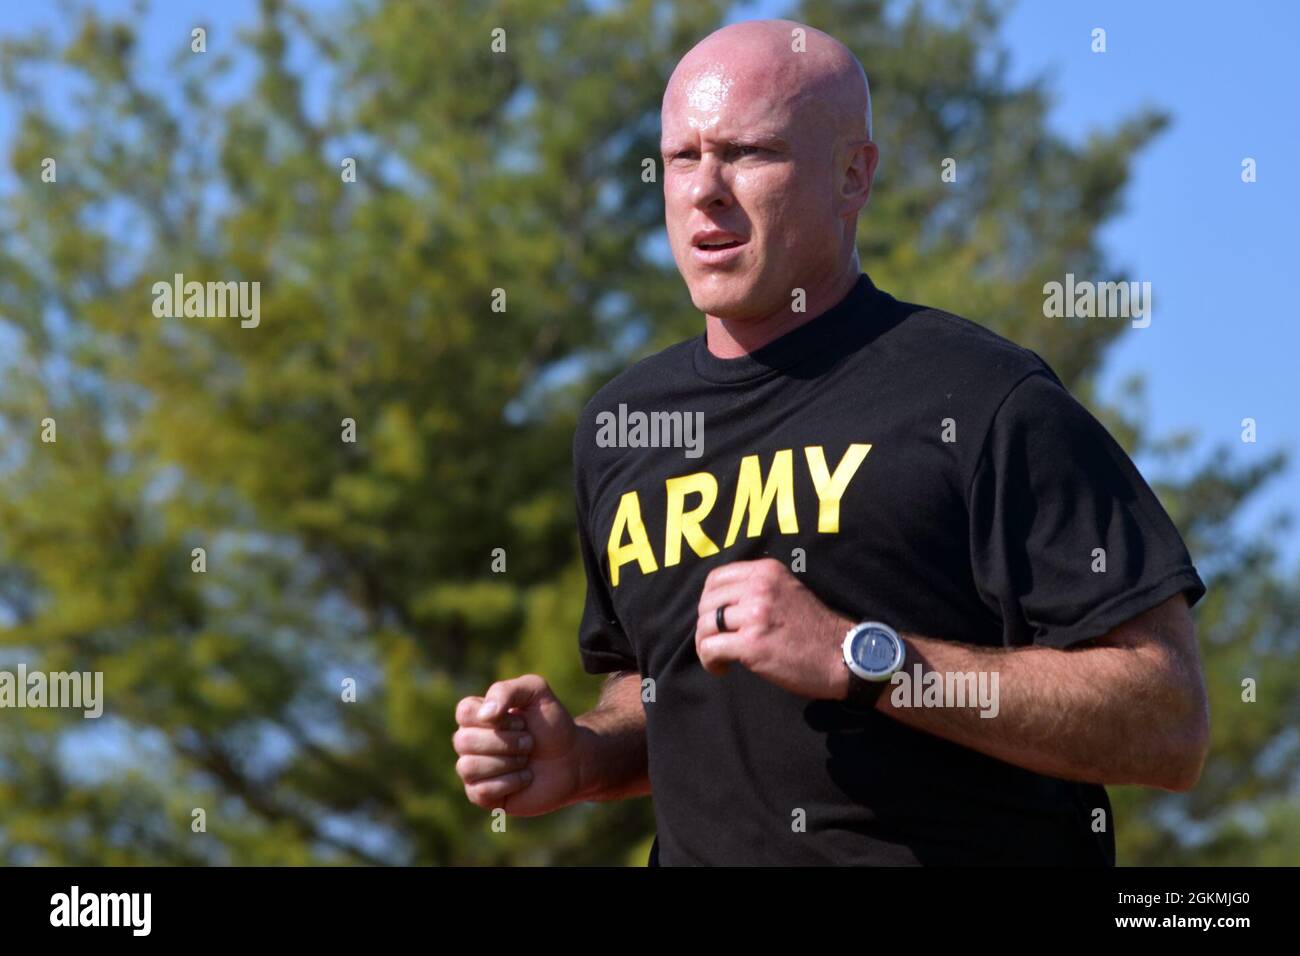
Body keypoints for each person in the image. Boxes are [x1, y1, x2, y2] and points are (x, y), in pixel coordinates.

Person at [452, 18, 1209, 865]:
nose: (705, 189)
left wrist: (867, 660)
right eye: (680, 158)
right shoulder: (622, 426)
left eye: (748, 154)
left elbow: (1167, 719)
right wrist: (587, 756)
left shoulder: (983, 396)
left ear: (853, 176)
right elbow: (663, 689)